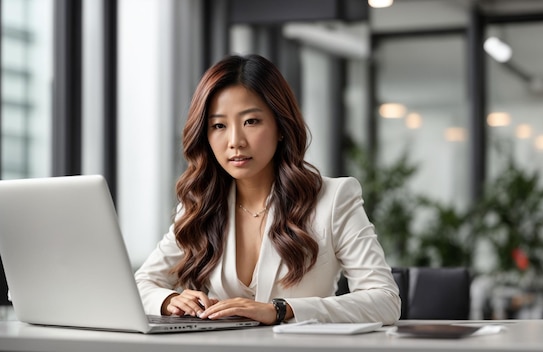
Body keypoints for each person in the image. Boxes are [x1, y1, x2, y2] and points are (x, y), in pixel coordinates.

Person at [135, 54, 401, 326]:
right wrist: (168, 301)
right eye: (219, 126)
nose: (235, 141)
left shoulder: (333, 199)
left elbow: (384, 300)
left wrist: (282, 310)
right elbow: (141, 284)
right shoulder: (201, 206)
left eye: (251, 121)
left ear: (281, 126)